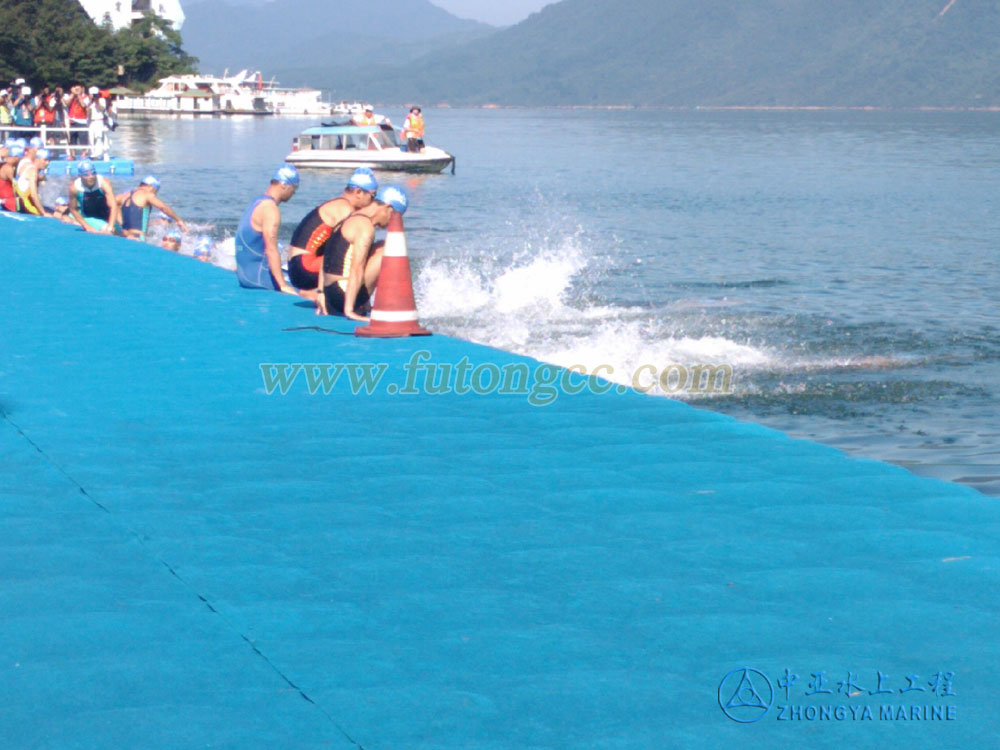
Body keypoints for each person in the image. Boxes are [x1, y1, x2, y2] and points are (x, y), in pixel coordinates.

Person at [317, 185, 408, 320]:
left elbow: (326, 256)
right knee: (389, 248)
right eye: (396, 217)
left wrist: (321, 292)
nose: (393, 223)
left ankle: (366, 304)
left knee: (380, 246)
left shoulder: (350, 216)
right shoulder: (365, 227)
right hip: (342, 296)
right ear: (388, 208)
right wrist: (349, 311)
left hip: (330, 292)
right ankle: (371, 306)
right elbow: (357, 269)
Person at [287, 167, 378, 293]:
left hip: (296, 267)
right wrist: (321, 292)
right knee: (362, 255)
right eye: (373, 196)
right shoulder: (345, 209)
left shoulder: (336, 204)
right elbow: (334, 250)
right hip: (305, 267)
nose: (372, 202)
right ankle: (357, 298)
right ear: (358, 192)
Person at [235, 164, 300, 294]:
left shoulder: (257, 202)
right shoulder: (270, 209)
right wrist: (282, 285)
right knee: (308, 292)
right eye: (294, 189)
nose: (294, 193)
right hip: (260, 281)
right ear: (284, 185)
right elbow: (270, 249)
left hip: (245, 277)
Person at [117, 175, 188, 241]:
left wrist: (122, 225)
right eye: (156, 190)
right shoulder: (147, 194)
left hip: (124, 236)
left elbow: (112, 208)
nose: (155, 193)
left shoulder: (123, 196)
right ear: (151, 187)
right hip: (137, 237)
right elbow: (163, 207)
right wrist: (178, 220)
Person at [68, 159, 118, 233]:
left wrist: (110, 226)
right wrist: (87, 226)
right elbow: (73, 209)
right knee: (69, 216)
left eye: (93, 173)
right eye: (86, 175)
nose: (91, 177)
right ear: (80, 176)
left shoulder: (104, 183)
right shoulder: (74, 188)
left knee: (115, 230)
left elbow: (113, 206)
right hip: (88, 217)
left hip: (105, 215)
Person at [14, 147, 51, 216]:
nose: (47, 163)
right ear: (38, 159)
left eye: (49, 161)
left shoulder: (27, 165)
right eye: (45, 160)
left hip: (20, 203)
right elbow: (34, 195)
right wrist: (43, 213)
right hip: (25, 205)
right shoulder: (33, 171)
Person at [0, 143, 20, 211]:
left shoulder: (4, 166)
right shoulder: (8, 168)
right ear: (15, 157)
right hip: (8, 204)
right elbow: (17, 187)